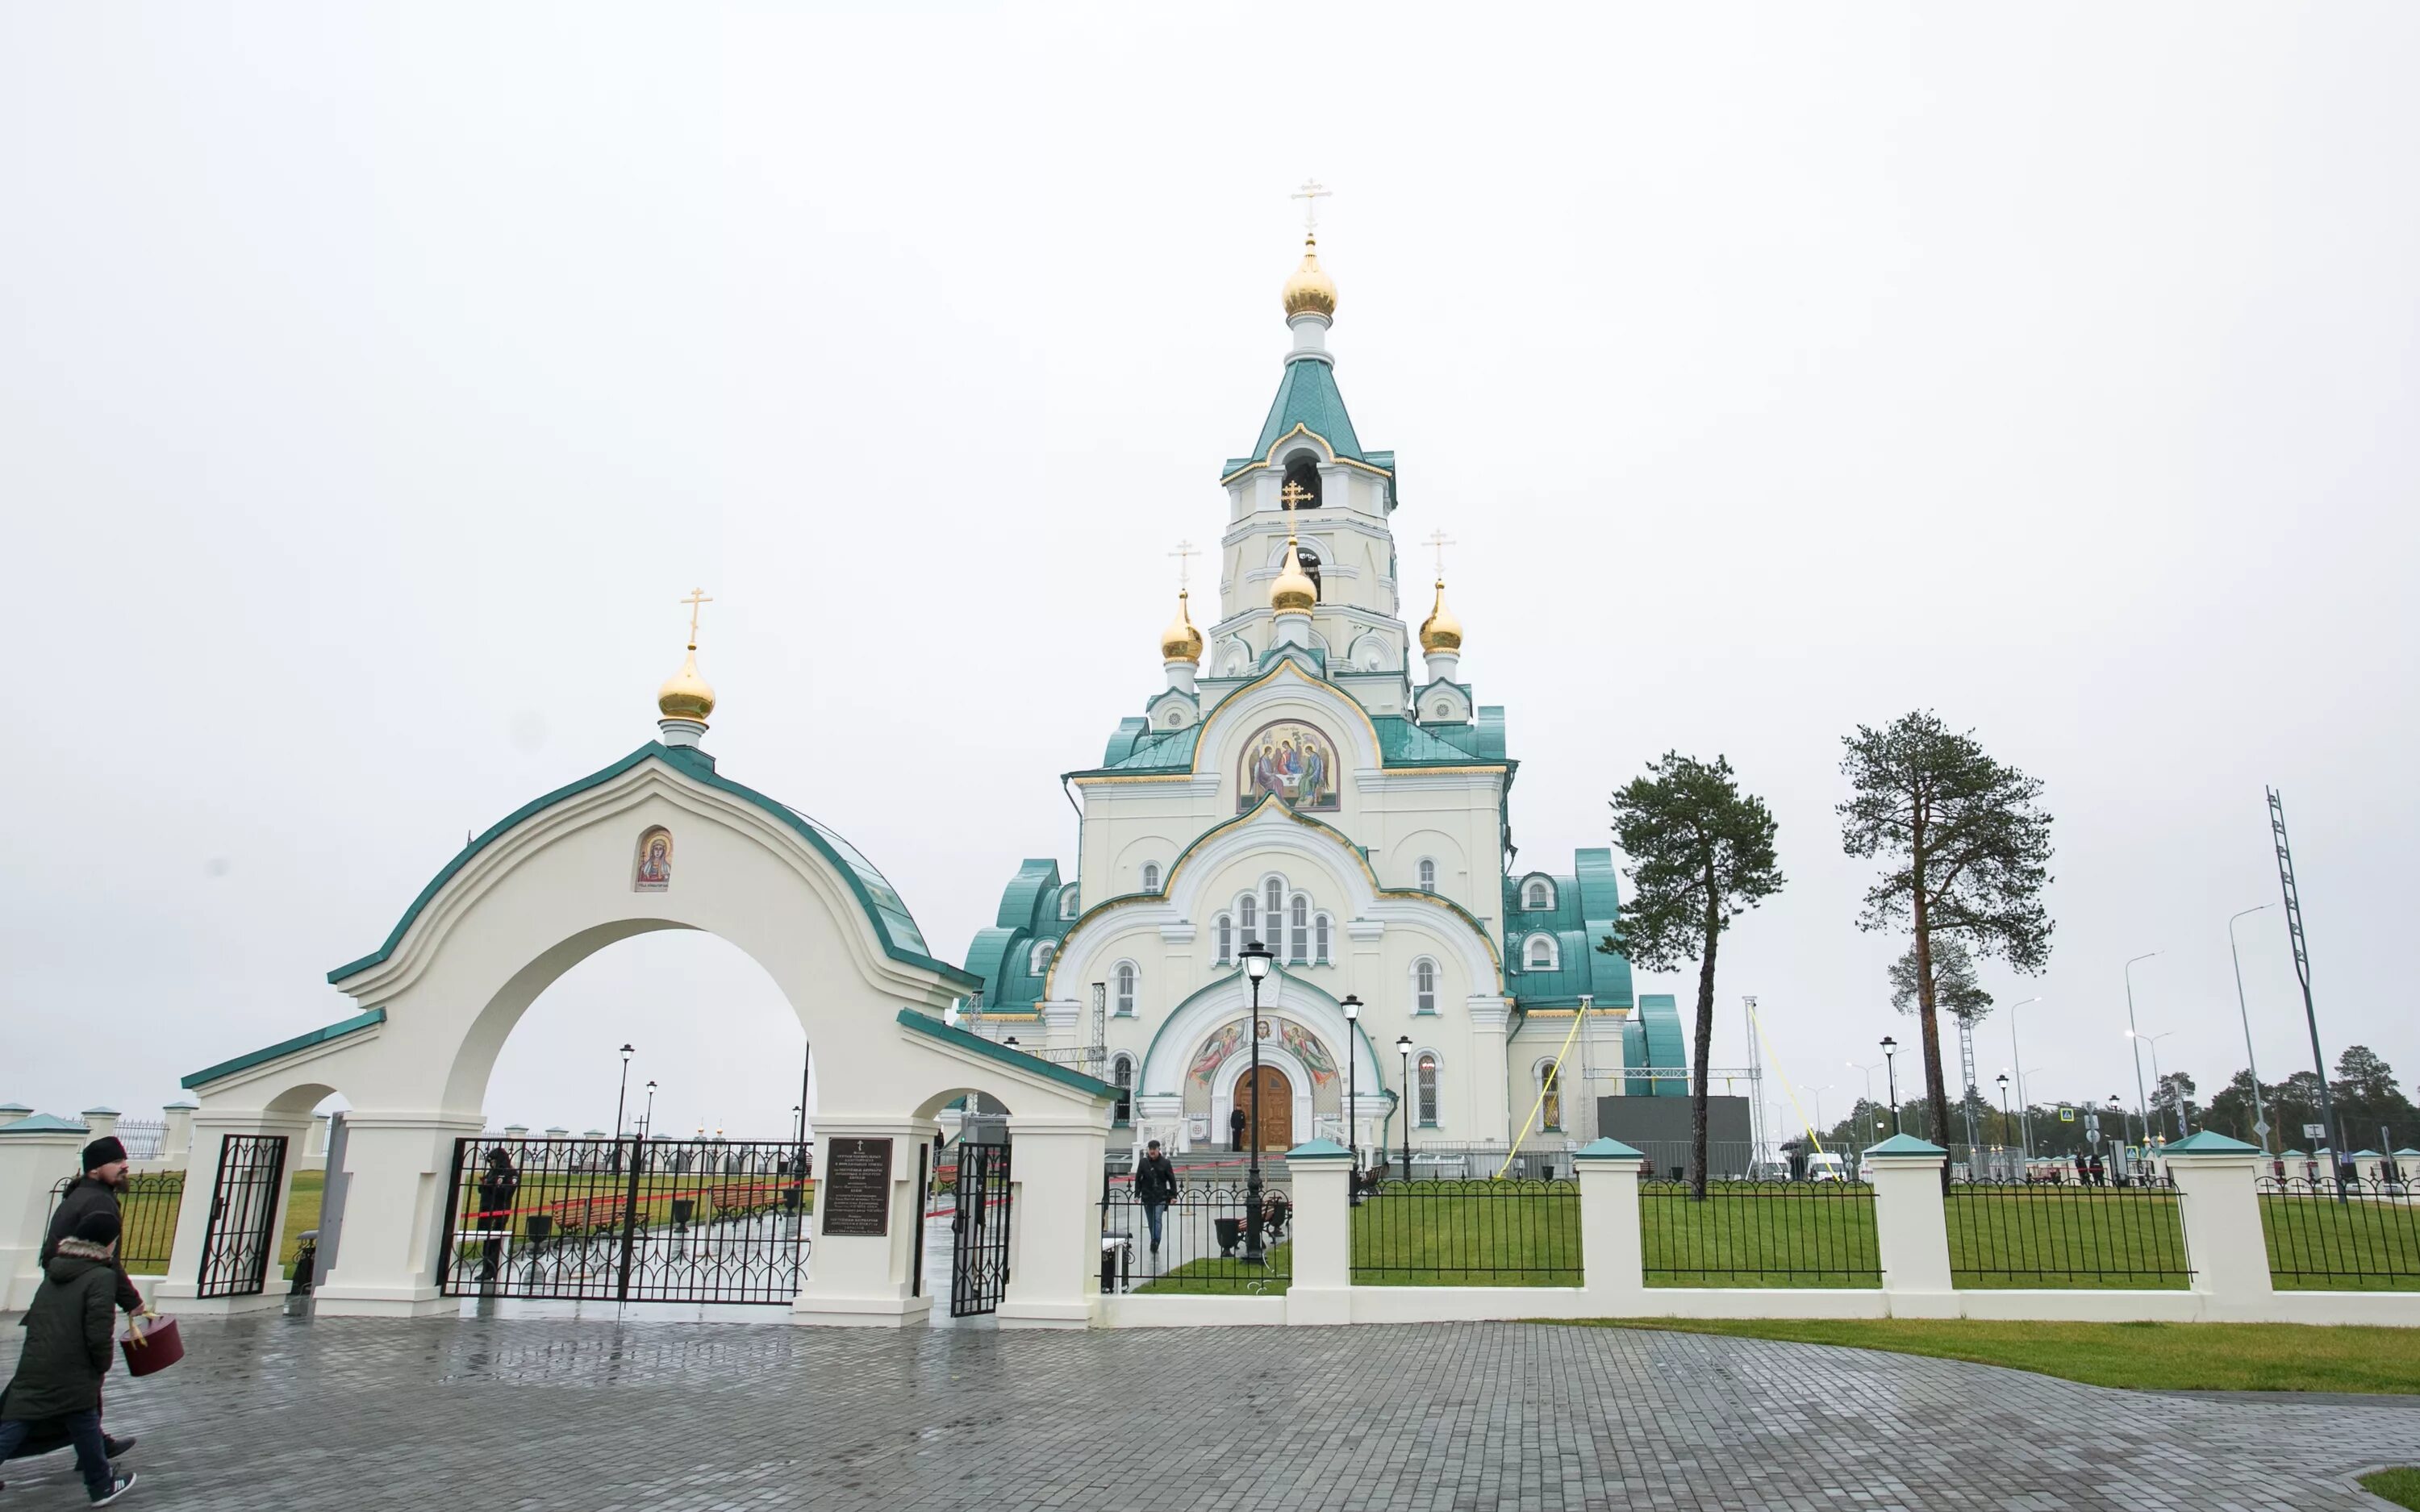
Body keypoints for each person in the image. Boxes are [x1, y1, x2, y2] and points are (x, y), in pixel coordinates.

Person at [0, 1210, 140, 1505]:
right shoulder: (101, 1277)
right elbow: (98, 1330)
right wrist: (101, 1364)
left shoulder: (55, 1271)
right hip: (74, 1367)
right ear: (108, 1242)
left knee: (35, 1419)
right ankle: (101, 1486)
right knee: (79, 1419)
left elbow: (36, 1319)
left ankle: (101, 1484)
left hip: (37, 1361)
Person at [36, 1139, 144, 1462]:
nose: (125, 1166)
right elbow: (105, 1260)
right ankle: (94, 1452)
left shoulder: (83, 1196)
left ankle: (94, 1449)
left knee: (74, 1384)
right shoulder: (98, 1203)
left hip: (64, 1301)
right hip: (82, 1302)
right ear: (95, 1169)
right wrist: (131, 1300)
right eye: (117, 1161)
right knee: (77, 1381)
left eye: (124, 1160)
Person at [475, 1147, 520, 1282]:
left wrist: (491, 1186)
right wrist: (485, 1184)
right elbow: (482, 1189)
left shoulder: (511, 1173)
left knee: (495, 1241)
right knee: (486, 1240)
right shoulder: (492, 1172)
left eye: (494, 1161)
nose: (492, 1164)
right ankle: (486, 1268)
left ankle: (492, 1269)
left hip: (499, 1211)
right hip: (486, 1210)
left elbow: (507, 1192)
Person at [1133, 1141, 1176, 1255]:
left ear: (1158, 1149)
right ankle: (1154, 1238)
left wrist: (1173, 1196)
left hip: (1160, 1196)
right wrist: (1137, 1194)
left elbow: (1172, 1180)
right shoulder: (1143, 1162)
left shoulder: (1165, 1163)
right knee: (1151, 1221)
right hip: (1147, 1196)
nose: (1152, 1151)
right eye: (1150, 1149)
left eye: (1154, 1149)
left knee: (1157, 1219)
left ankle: (1155, 1241)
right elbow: (1138, 1179)